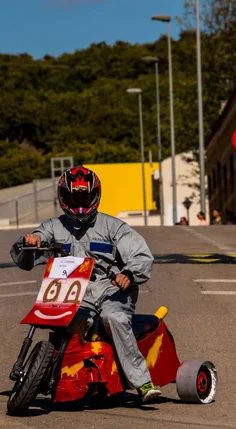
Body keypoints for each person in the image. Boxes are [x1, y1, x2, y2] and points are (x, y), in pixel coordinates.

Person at [10, 166, 161, 403]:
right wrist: (31, 241)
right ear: (63, 197)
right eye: (74, 198)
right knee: (67, 320)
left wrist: (129, 274)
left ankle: (142, 383)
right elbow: (26, 254)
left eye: (84, 197)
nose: (79, 204)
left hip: (113, 290)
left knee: (114, 319)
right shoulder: (52, 227)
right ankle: (68, 376)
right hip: (76, 290)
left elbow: (141, 256)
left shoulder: (114, 227)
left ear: (95, 196)